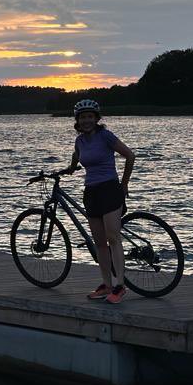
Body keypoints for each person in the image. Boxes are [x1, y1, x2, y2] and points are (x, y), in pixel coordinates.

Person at [58, 99, 135, 304]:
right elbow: (77, 156)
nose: (86, 121)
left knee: (113, 237)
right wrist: (71, 168)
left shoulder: (106, 136)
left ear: (96, 118)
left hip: (110, 189)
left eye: (90, 117)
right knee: (99, 243)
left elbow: (129, 155)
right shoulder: (80, 141)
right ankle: (106, 285)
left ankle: (120, 286)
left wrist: (124, 184)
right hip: (91, 192)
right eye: (82, 117)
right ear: (77, 121)